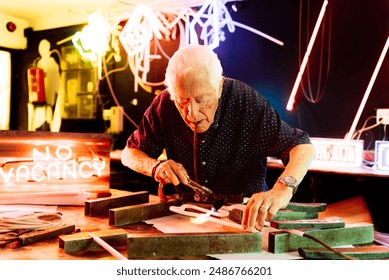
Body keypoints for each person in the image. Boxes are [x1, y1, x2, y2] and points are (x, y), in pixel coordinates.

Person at [121, 45, 315, 231]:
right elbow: (129, 154)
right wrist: (154, 166)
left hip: (247, 219)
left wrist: (283, 188)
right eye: (183, 102)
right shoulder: (164, 104)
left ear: (219, 86)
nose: (192, 114)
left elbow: (302, 146)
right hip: (190, 215)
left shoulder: (244, 101)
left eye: (201, 100)